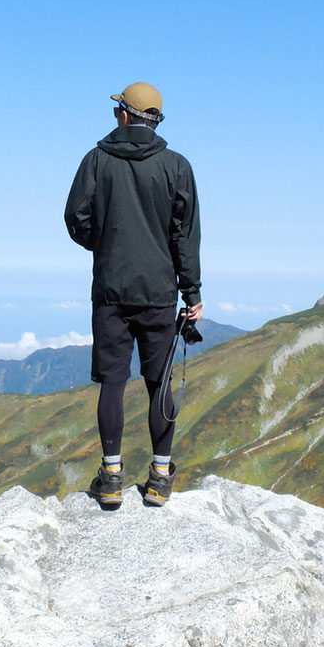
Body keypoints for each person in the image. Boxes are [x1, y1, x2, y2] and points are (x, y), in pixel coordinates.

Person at [64, 81, 202, 508]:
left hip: (110, 290)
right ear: (154, 119)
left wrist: (103, 246)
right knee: (159, 383)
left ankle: (110, 477)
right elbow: (185, 235)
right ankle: (160, 476)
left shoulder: (96, 161)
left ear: (124, 114)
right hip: (159, 292)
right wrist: (191, 290)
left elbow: (75, 218)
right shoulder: (176, 166)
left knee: (112, 382)